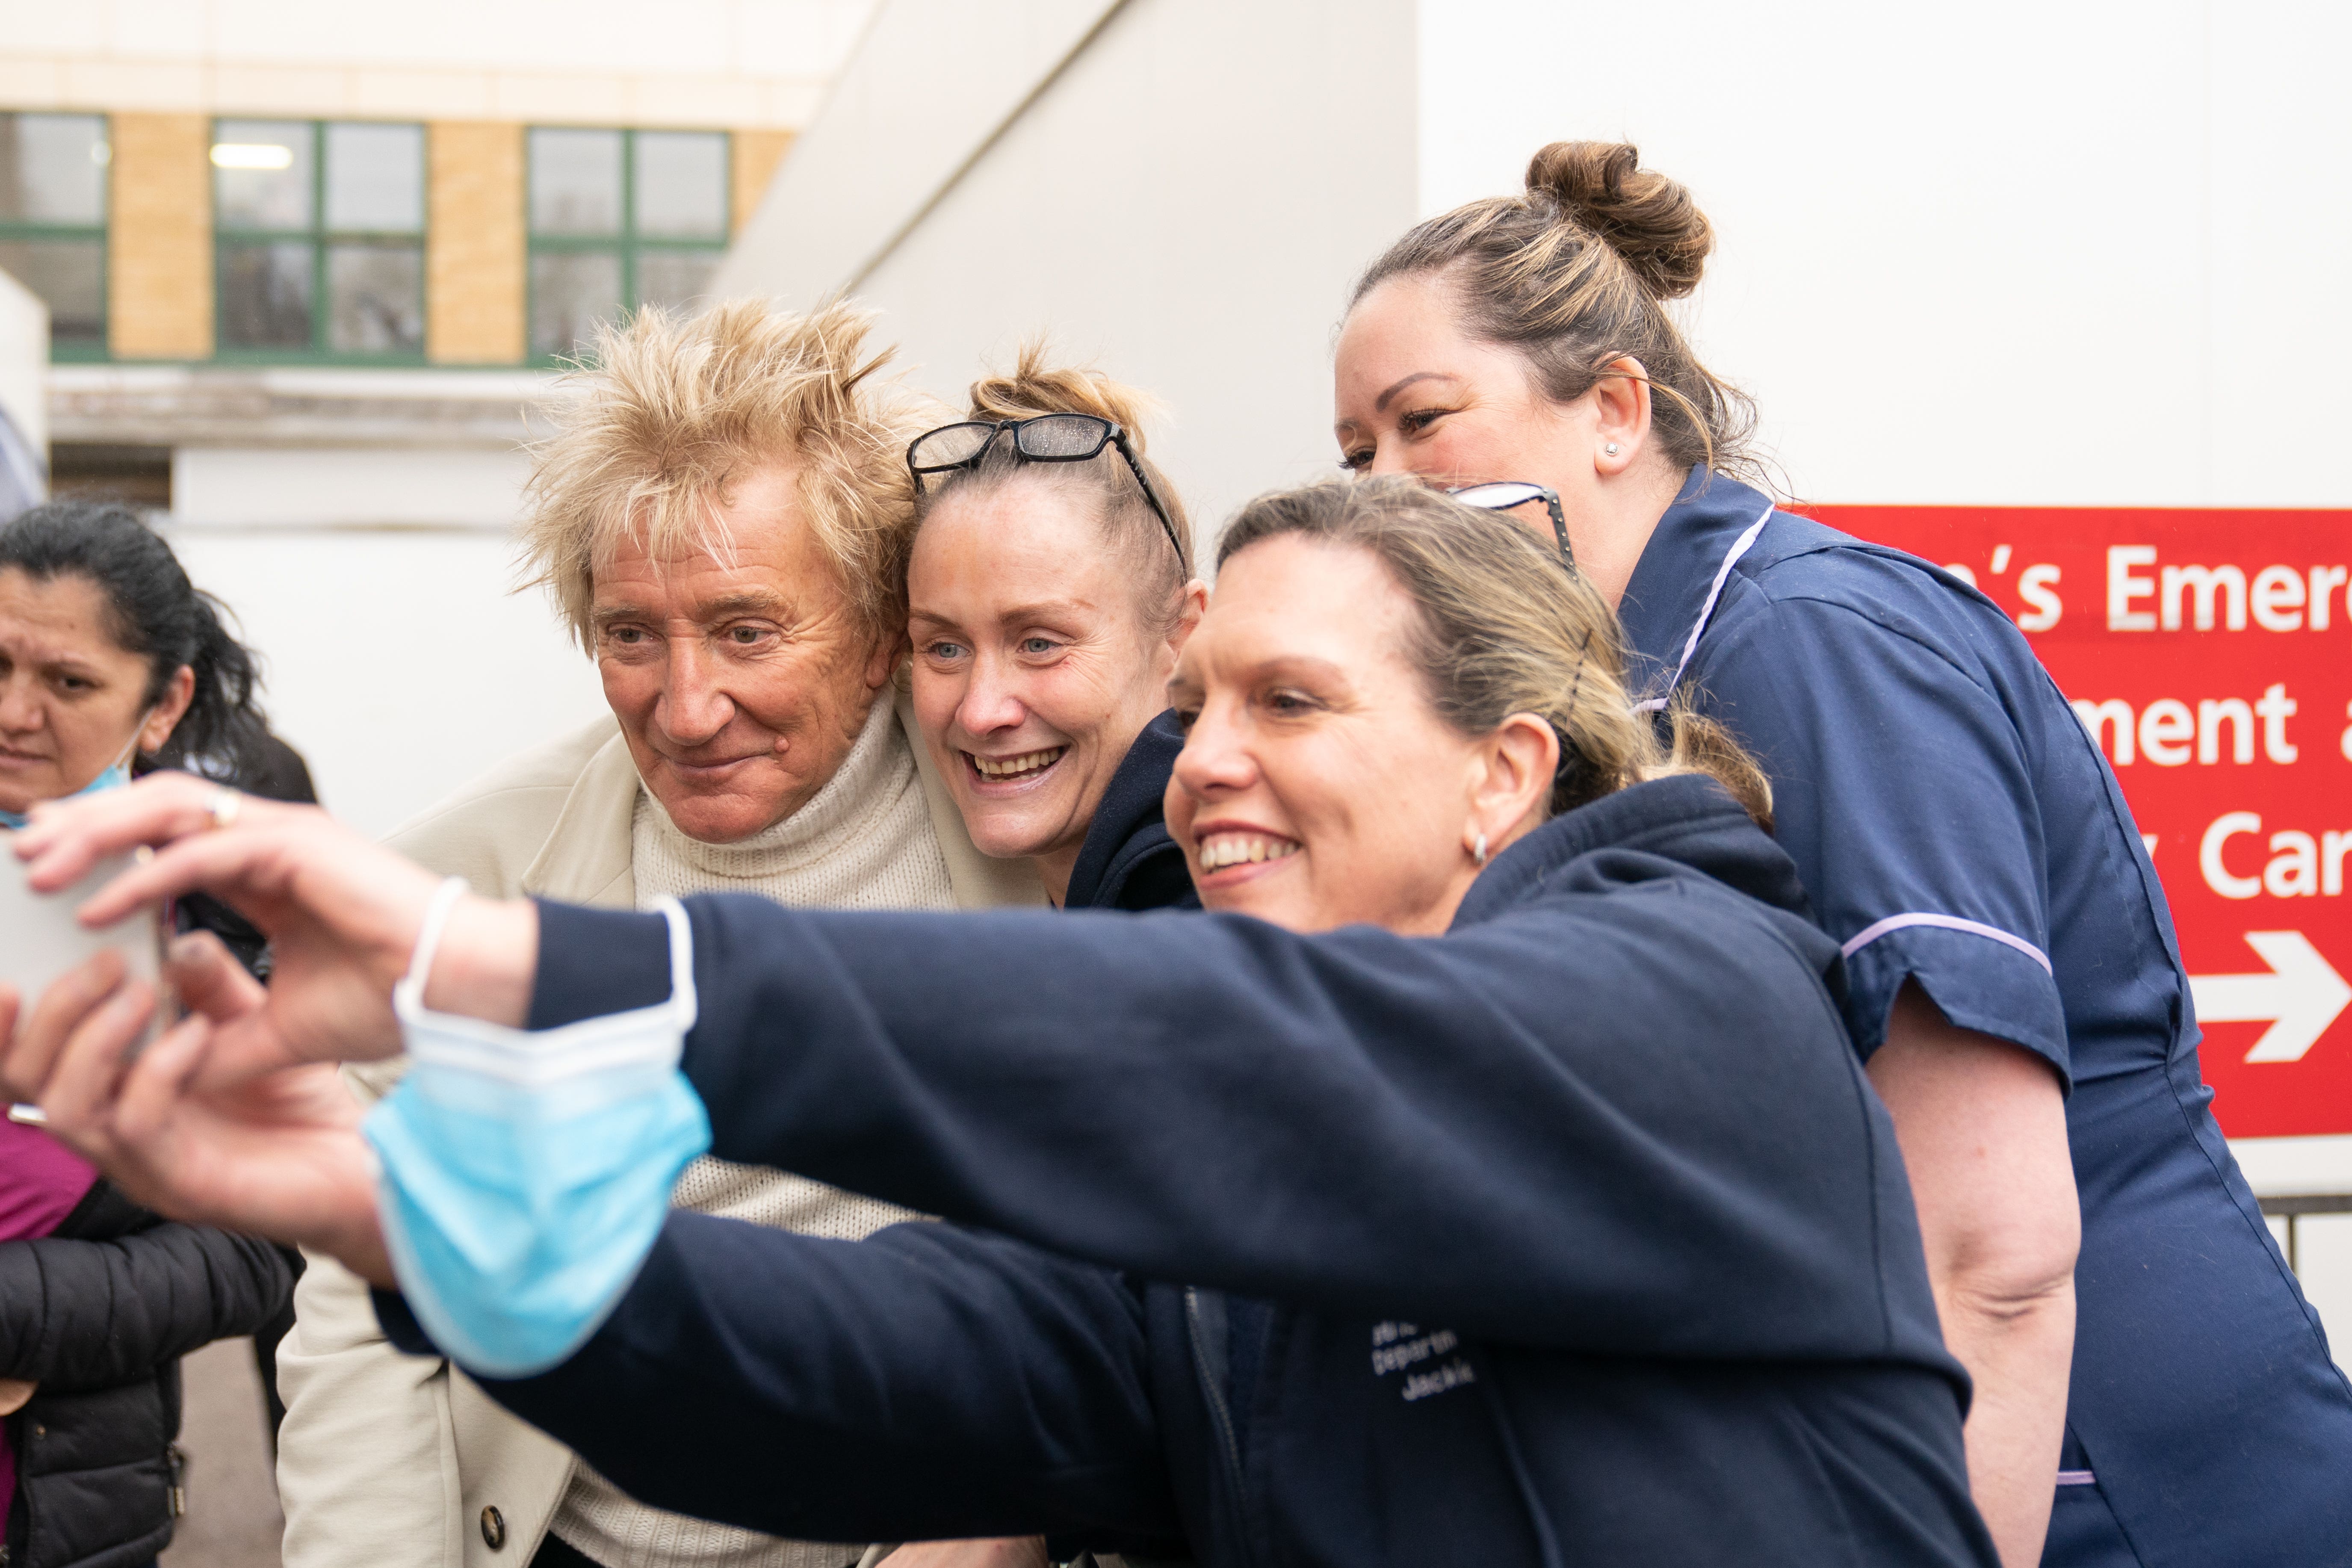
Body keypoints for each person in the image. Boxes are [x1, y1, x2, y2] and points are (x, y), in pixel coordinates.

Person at [6, 481, 2001, 1568]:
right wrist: (394, 1197)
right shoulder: (1219, 1251)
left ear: (1500, 773)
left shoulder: (1687, 988)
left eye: (1285, 704)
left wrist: (527, 966)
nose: (1198, 763)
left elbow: (1252, 1062)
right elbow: (893, 1358)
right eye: (1195, 702)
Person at [1329, 140, 2352, 1568]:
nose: (1383, 489)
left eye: (1420, 422)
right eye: (1352, 455)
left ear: (1616, 410)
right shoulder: (1614, 695)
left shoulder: (1804, 641)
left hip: (2112, 1480)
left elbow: (1990, 1254)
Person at [270, 300, 1041, 1568]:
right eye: (632, 636)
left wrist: (1013, 1501)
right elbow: (365, 1311)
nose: (685, 707)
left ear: (878, 631)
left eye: (746, 629)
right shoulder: (465, 885)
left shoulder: (1034, 853)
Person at [0, 499, 300, 1568]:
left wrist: (20, 1311)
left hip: (62, 1510)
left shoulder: (215, 917)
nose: (12, 713)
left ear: (164, 700)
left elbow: (257, 1250)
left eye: (68, 683)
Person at [904, 348, 1204, 911]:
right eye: (945, 648)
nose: (980, 711)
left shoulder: (1209, 899)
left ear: (1183, 639)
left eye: (1039, 644)